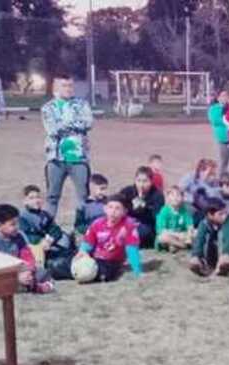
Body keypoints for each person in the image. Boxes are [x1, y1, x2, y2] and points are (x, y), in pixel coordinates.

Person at [41, 74, 94, 221]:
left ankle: (81, 229)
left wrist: (65, 124)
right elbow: (52, 129)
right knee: (52, 196)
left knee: (83, 196)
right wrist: (75, 124)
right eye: (64, 85)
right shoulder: (48, 108)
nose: (68, 89)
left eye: (70, 85)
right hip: (56, 158)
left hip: (79, 157)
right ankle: (47, 228)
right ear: (55, 88)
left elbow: (88, 123)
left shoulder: (82, 104)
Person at [0, 204, 55, 294]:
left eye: (17, 223)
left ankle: (29, 284)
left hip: (20, 269)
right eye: (12, 224)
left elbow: (27, 256)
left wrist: (28, 271)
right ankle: (34, 287)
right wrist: (16, 276)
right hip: (2, 273)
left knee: (41, 272)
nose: (17, 227)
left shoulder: (20, 235)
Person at [74, 194, 142, 282]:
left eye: (117, 208)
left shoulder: (128, 226)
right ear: (105, 209)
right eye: (110, 207)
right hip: (93, 259)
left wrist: (137, 271)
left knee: (104, 273)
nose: (113, 211)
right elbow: (87, 244)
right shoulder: (97, 223)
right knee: (62, 264)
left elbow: (132, 249)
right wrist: (82, 252)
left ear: (125, 211)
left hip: (112, 262)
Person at [18, 184, 68, 266]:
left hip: (48, 244)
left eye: (38, 197)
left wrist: (51, 239)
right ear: (25, 201)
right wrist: (41, 241)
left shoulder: (45, 215)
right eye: (31, 198)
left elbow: (55, 229)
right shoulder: (22, 217)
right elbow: (26, 235)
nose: (36, 200)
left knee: (65, 237)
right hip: (33, 247)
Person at [120, 166, 165, 248]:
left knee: (142, 232)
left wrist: (146, 208)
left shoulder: (157, 195)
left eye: (145, 181)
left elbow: (157, 216)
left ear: (151, 182)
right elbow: (118, 206)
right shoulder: (127, 192)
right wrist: (130, 207)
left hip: (146, 225)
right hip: (128, 223)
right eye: (139, 181)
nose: (141, 185)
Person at [189, 198, 229, 276]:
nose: (224, 216)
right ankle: (202, 265)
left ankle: (220, 267)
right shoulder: (204, 224)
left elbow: (228, 241)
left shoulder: (227, 224)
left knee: (221, 236)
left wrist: (225, 254)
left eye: (225, 213)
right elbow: (199, 241)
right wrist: (196, 255)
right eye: (220, 214)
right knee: (195, 259)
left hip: (223, 251)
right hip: (208, 253)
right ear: (210, 215)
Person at [155, 185, 195, 251]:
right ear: (168, 198)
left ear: (182, 198)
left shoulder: (184, 210)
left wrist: (189, 234)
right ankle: (183, 246)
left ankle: (174, 246)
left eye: (178, 195)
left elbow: (190, 225)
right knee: (162, 237)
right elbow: (162, 230)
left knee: (196, 232)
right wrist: (178, 235)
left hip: (182, 235)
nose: (175, 198)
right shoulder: (164, 211)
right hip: (170, 235)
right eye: (172, 195)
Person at [208, 90, 229, 176]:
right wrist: (228, 120)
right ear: (218, 98)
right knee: (223, 161)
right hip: (222, 138)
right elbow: (215, 121)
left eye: (226, 96)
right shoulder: (214, 108)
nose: (225, 98)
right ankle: (220, 178)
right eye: (223, 96)